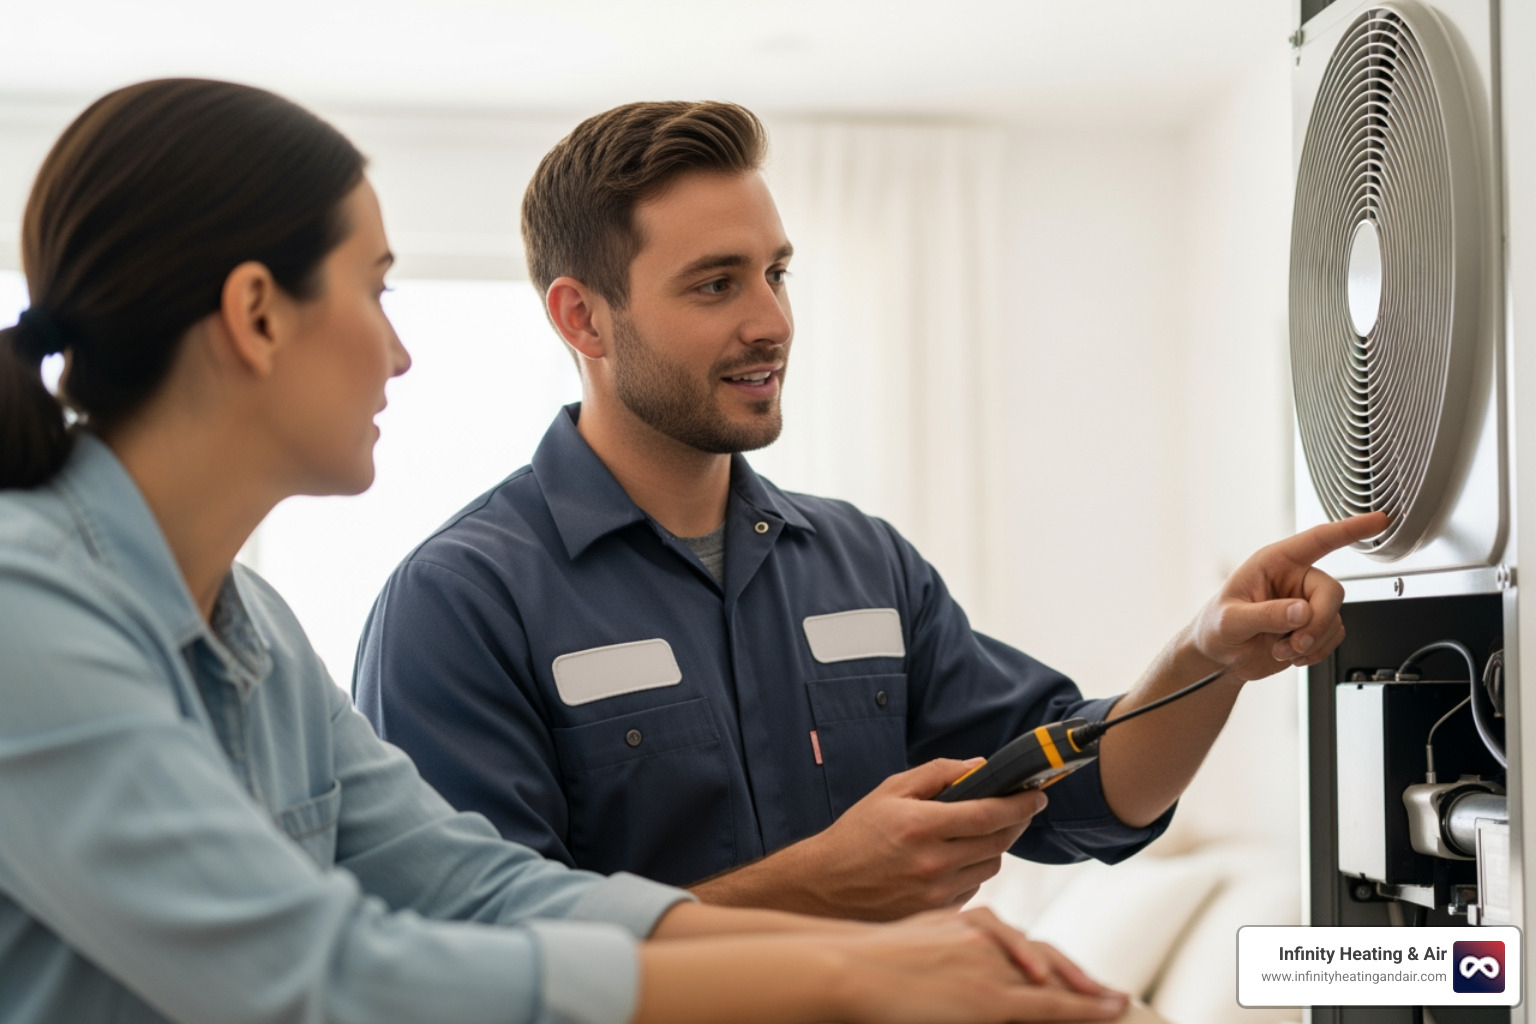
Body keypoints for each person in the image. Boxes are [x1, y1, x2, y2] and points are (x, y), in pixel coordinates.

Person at [0, 78, 1132, 1024]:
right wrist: (842, 961)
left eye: (774, 274)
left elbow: (477, 887)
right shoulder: (26, 609)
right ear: (256, 315)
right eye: (374, 290)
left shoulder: (257, 634)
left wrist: (880, 960)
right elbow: (318, 972)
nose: (398, 353)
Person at [354, 100, 1387, 919]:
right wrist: (812, 883)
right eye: (716, 284)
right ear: (582, 315)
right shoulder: (459, 603)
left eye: (776, 272)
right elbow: (476, 964)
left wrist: (1208, 655)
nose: (771, 321)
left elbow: (1084, 791)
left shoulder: (859, 562)